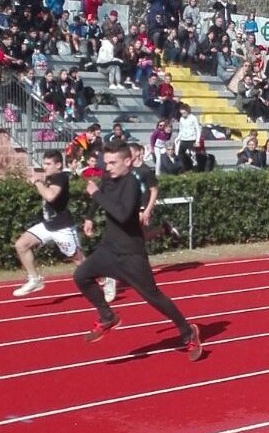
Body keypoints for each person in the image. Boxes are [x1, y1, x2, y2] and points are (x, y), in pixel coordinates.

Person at [74, 142, 203, 360]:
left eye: (113, 163)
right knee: (81, 276)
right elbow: (102, 194)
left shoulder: (132, 184)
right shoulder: (108, 178)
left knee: (154, 297)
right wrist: (89, 217)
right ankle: (107, 316)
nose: (108, 167)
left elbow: (123, 215)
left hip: (131, 254)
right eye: (106, 163)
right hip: (108, 249)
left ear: (128, 161)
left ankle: (188, 332)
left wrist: (96, 195)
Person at [12, 150, 95, 297]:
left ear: (58, 165)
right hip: (47, 225)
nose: (45, 167)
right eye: (44, 163)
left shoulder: (60, 177)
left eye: (48, 164)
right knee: (21, 245)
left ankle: (105, 278)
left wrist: (37, 182)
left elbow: (50, 196)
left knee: (79, 260)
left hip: (62, 228)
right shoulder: (51, 177)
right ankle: (35, 279)